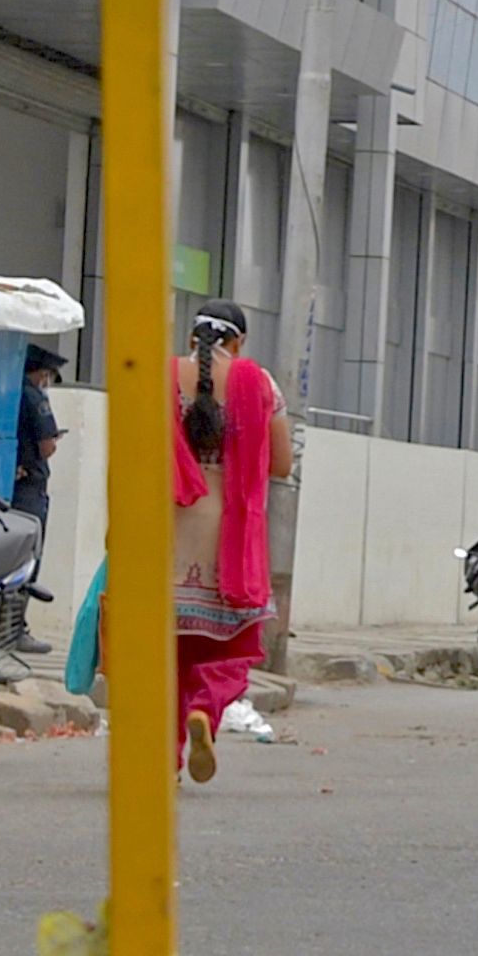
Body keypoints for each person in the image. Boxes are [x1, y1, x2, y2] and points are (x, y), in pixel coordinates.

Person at [170, 300, 293, 781]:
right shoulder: (258, 382)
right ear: (238, 343)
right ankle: (206, 708)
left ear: (191, 338)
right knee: (230, 645)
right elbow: (281, 464)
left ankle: (164, 761)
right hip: (229, 530)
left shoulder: (162, 376)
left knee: (170, 653)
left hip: (168, 524)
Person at [15, 343, 65, 541]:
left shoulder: (11, 392)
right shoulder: (35, 398)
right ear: (41, 373)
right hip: (30, 485)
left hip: (13, 480)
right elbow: (46, 447)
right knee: (30, 548)